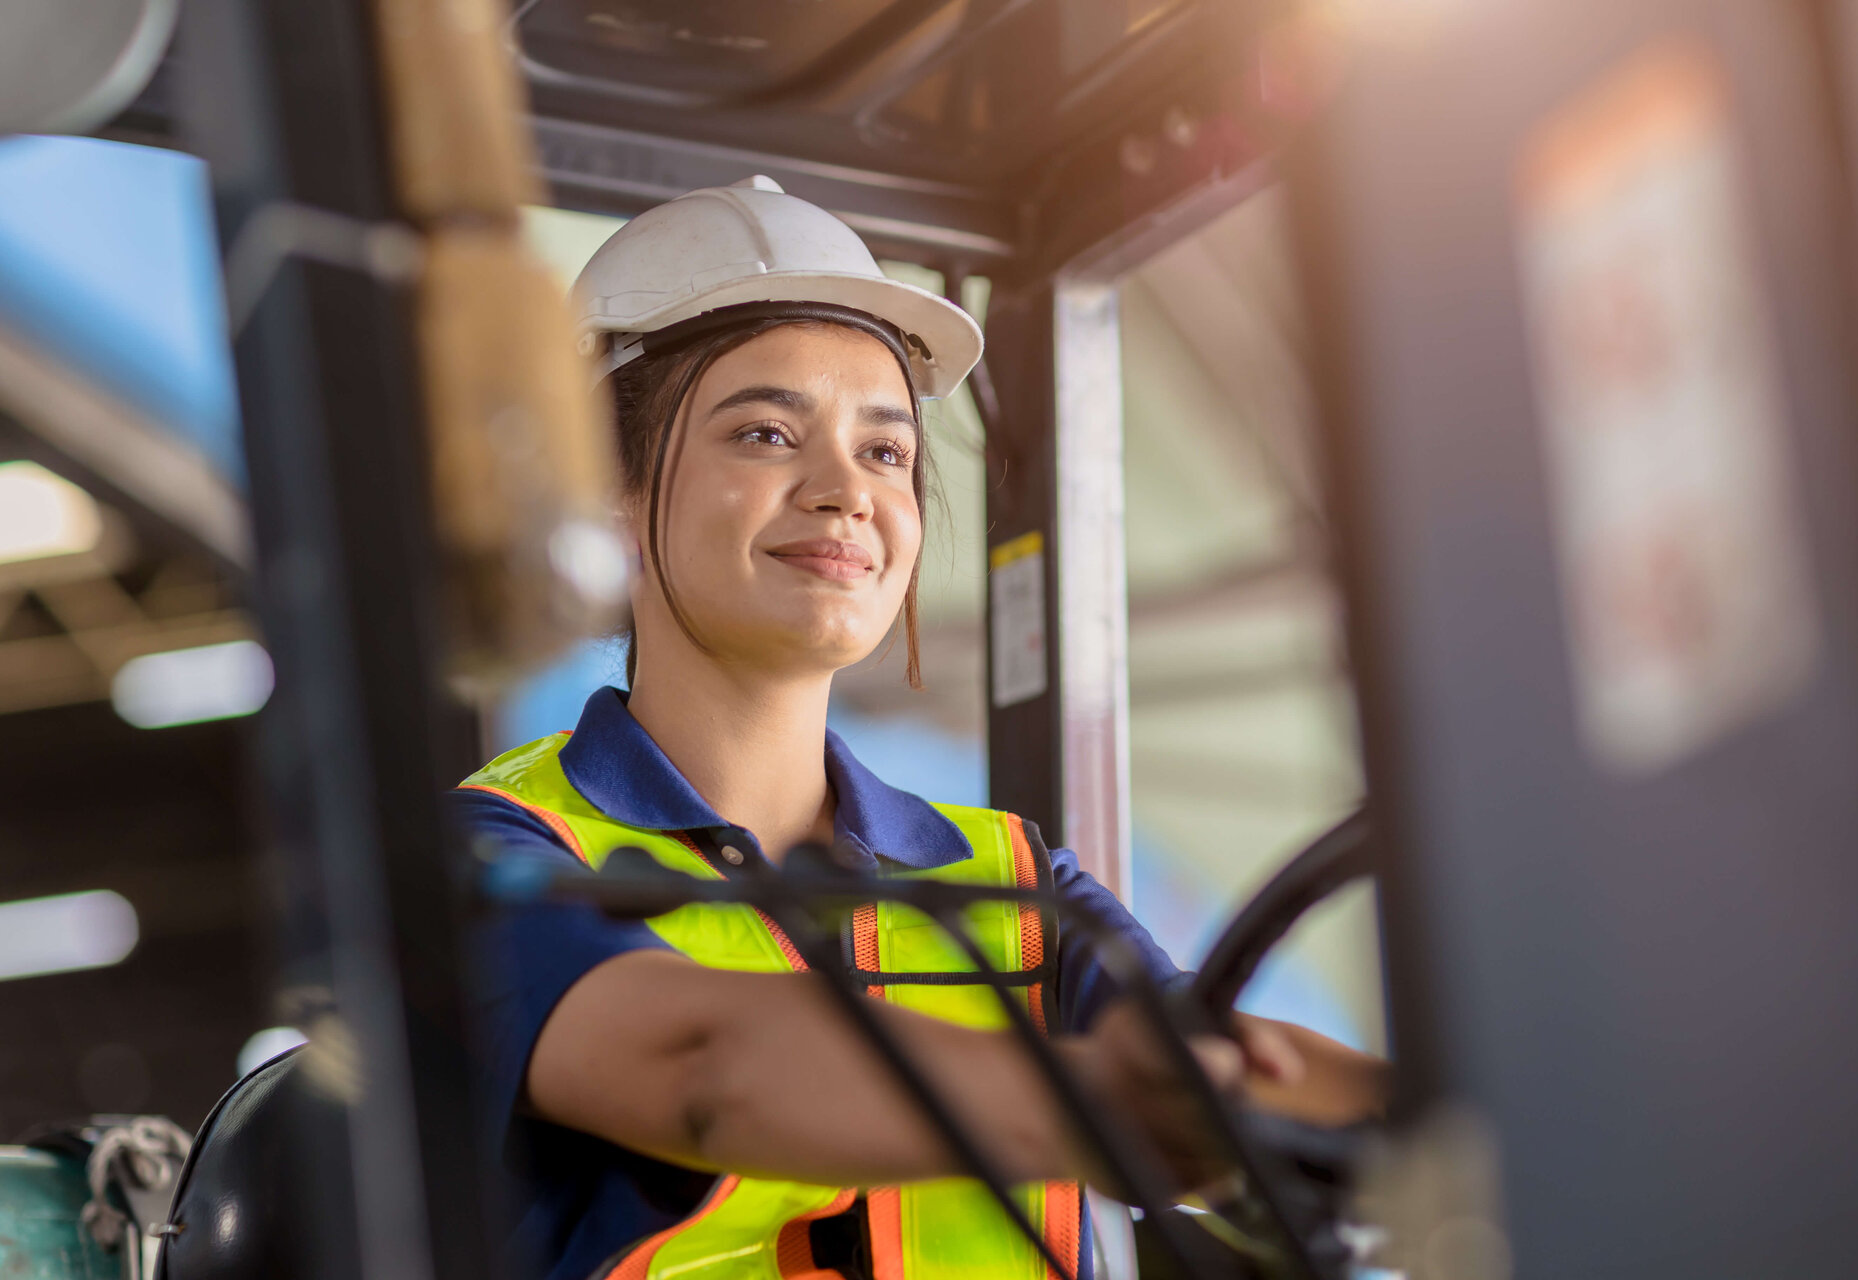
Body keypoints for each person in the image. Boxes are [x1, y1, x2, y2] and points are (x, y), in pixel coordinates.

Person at [453, 176, 1387, 1280]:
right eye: (764, 431)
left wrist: (1463, 1117)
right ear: (614, 492)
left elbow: (1220, 1058)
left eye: (887, 451)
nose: (845, 489)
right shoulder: (503, 856)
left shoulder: (1011, 876)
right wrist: (1099, 1101)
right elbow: (703, 1069)